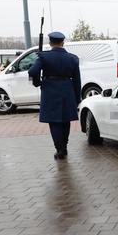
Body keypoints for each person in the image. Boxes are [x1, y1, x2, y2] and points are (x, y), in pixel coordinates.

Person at [28, 32, 82, 160]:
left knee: (54, 122)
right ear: (62, 42)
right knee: (65, 121)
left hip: (50, 91)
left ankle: (59, 149)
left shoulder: (43, 57)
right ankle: (64, 147)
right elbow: (77, 80)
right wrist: (77, 98)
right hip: (67, 90)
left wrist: (37, 82)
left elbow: (32, 71)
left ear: (50, 43)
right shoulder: (73, 58)